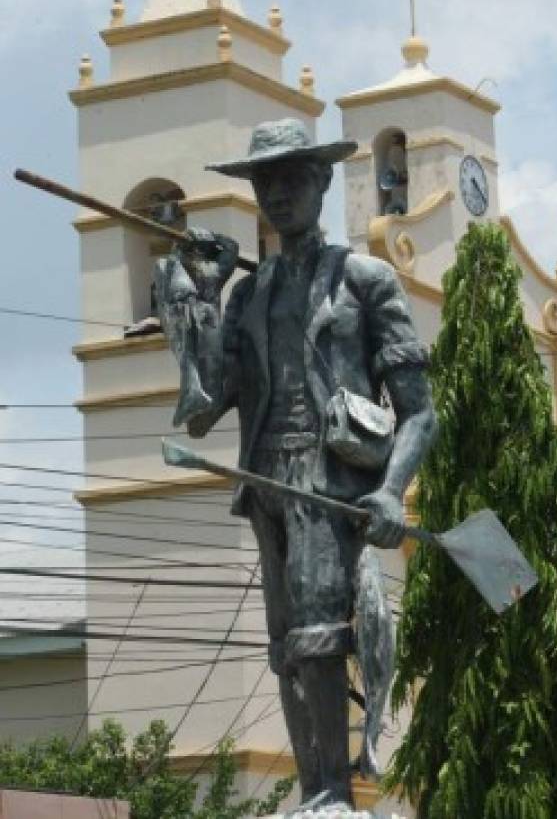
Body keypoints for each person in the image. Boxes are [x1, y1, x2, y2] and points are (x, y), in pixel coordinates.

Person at [157, 118, 436, 815]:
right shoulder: (250, 294)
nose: (277, 193)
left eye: (290, 179)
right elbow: (204, 405)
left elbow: (419, 412)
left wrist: (390, 492)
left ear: (319, 181)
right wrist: (204, 295)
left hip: (330, 477)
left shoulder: (364, 279)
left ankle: (330, 792)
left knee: (318, 635)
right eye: (264, 182)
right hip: (266, 484)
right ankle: (317, 791)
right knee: (286, 645)